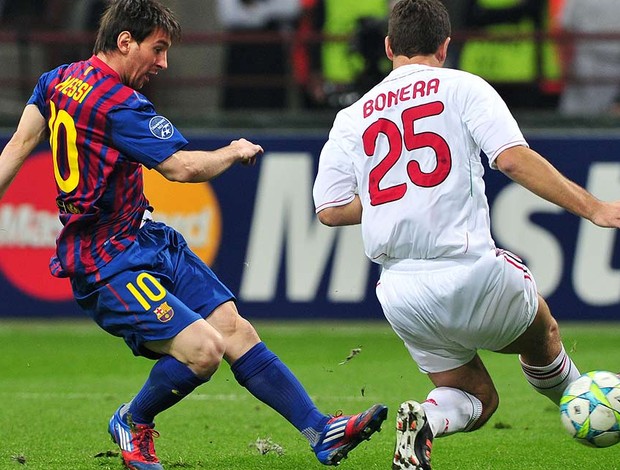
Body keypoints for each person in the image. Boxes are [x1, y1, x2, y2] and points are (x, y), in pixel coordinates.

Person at [0, 1, 387, 469]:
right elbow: (181, 168)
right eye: (157, 49)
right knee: (204, 351)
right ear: (125, 42)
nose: (163, 63)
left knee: (234, 330)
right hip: (106, 260)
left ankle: (319, 429)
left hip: (144, 238)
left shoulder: (58, 79)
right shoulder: (119, 103)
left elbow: (19, 146)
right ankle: (133, 420)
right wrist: (233, 150)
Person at [312, 0, 620, 469]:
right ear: (445, 44)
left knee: (473, 396)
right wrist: (594, 207)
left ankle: (426, 421)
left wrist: (392, 202)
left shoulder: (352, 116)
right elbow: (512, 158)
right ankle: (587, 404)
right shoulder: (462, 87)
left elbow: (330, 211)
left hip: (399, 290)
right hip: (469, 268)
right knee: (543, 336)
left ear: (390, 46)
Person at [557, 0, 620, 116]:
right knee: (577, 118)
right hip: (586, 62)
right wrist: (567, 66)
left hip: (612, 61)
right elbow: (564, 30)